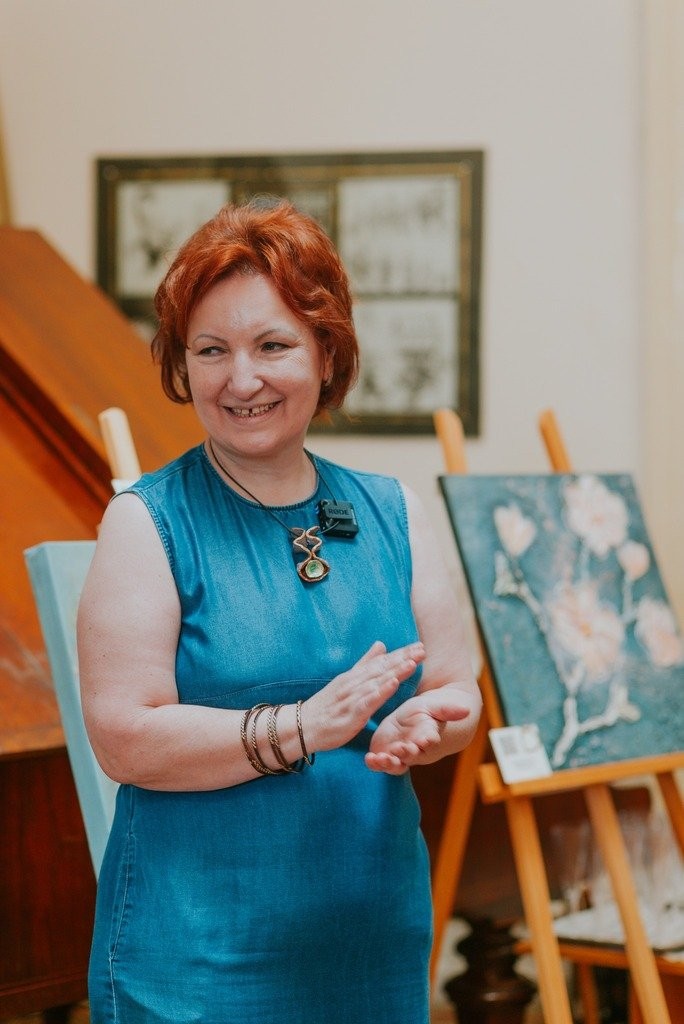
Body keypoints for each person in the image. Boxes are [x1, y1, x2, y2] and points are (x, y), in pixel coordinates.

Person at [77, 198, 481, 1024]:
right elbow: (123, 736)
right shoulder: (145, 523)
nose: (242, 379)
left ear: (327, 353)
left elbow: (457, 691)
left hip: (371, 946)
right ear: (184, 366)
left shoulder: (395, 511)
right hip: (195, 961)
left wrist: (431, 726)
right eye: (211, 350)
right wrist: (303, 727)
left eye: (272, 345)